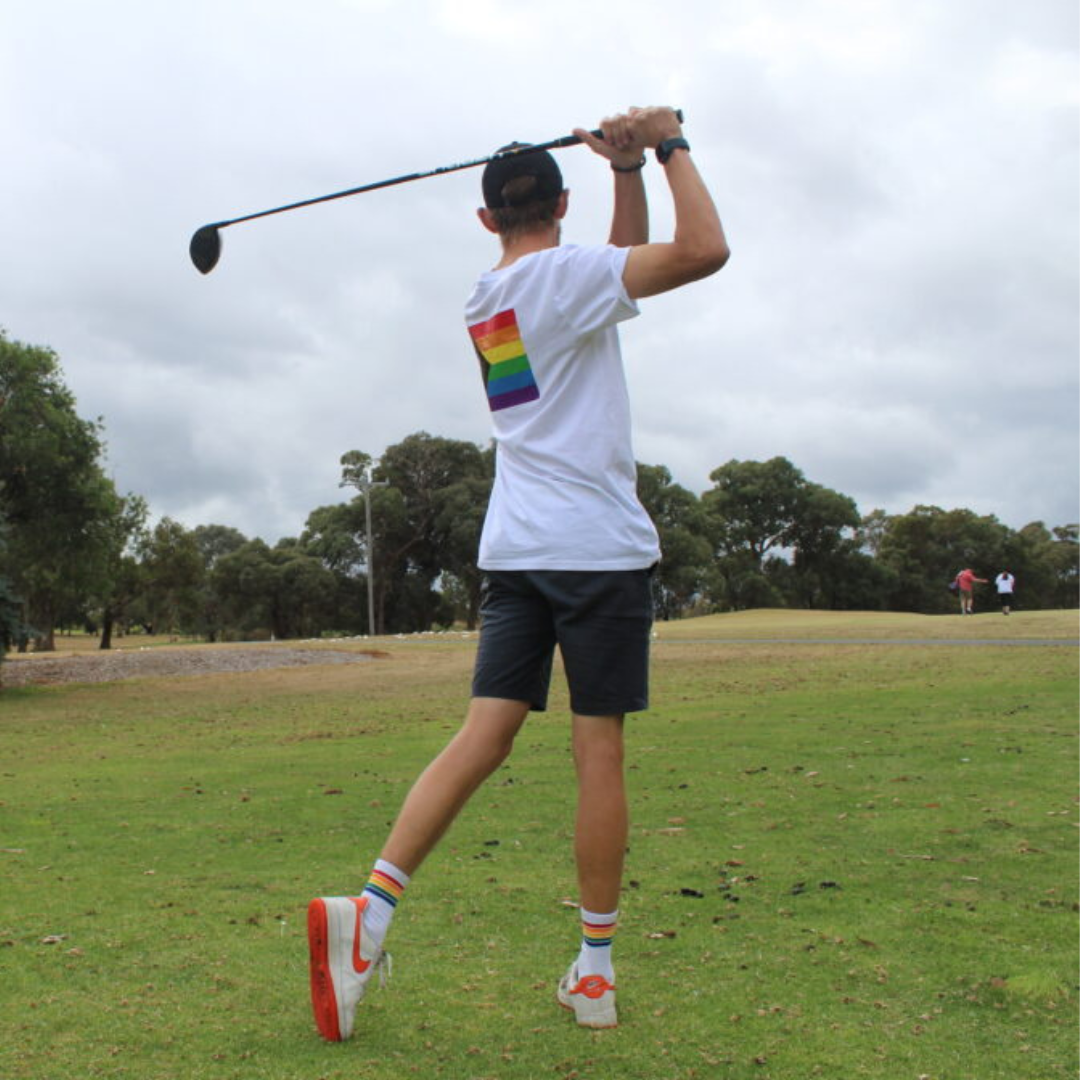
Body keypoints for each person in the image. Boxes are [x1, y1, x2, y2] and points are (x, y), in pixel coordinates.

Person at [307, 106, 729, 1040]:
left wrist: (626, 173)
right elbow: (703, 251)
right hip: (597, 551)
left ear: (487, 218)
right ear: (559, 205)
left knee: (482, 736)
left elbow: (617, 268)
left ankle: (368, 918)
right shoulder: (571, 279)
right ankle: (595, 973)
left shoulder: (487, 298)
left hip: (517, 553)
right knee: (598, 751)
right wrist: (668, 144)